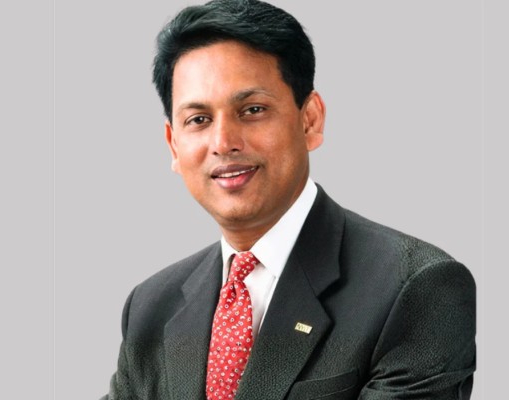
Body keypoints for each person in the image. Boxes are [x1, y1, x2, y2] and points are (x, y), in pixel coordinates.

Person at [103, 0, 476, 399]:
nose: (223, 142)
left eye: (252, 110)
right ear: (173, 145)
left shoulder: (416, 289)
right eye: (199, 120)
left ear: (310, 119)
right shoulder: (150, 307)